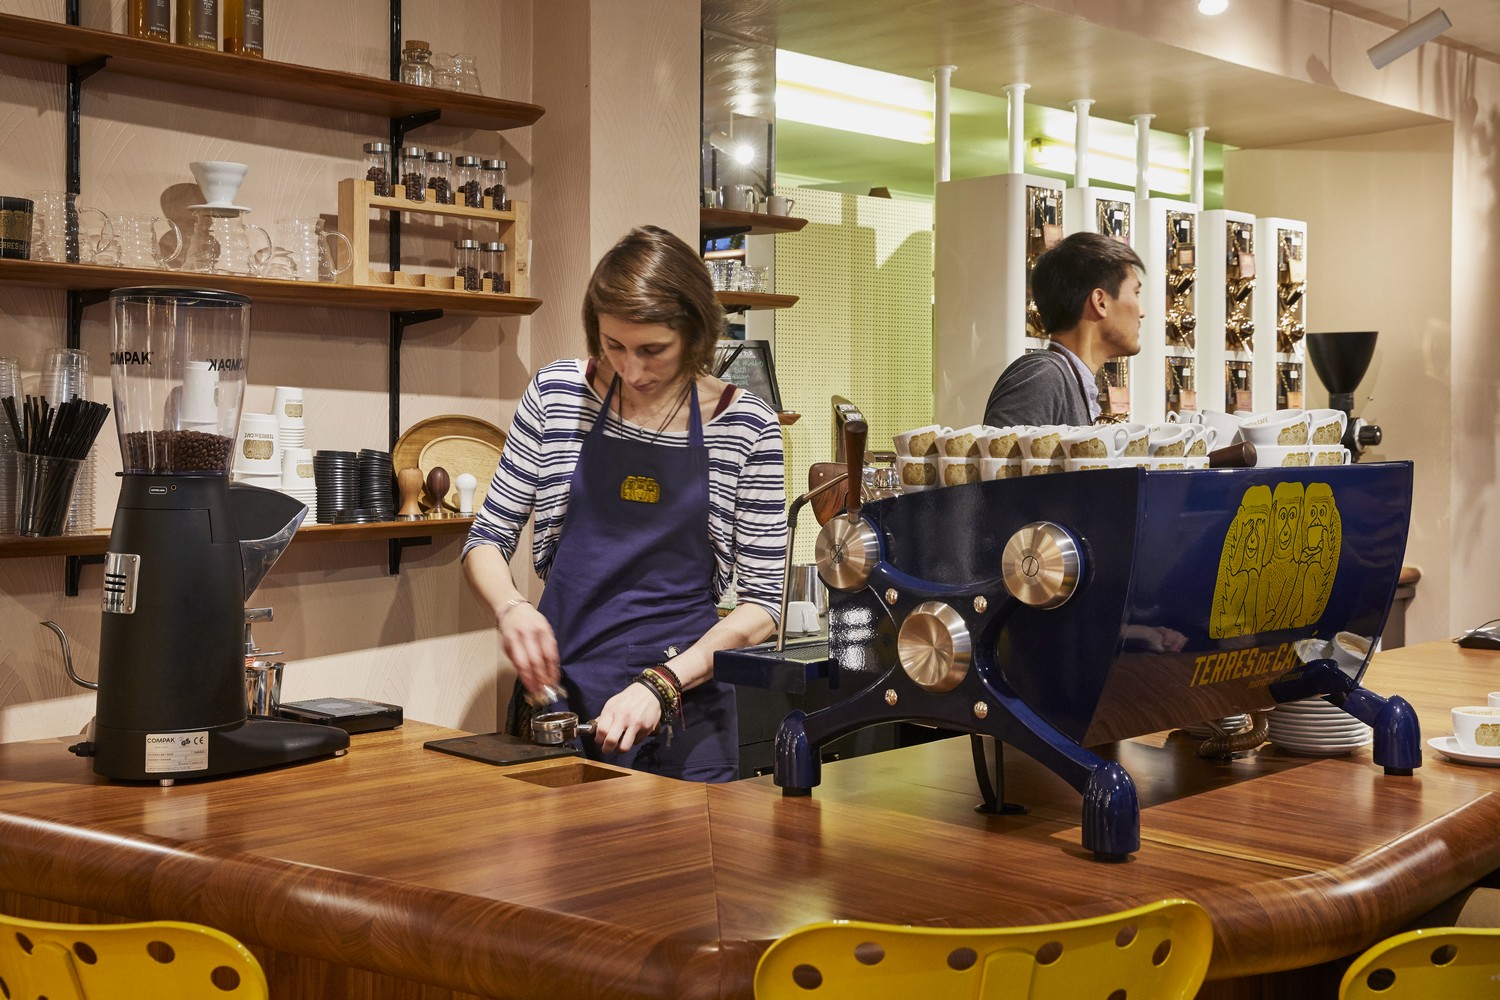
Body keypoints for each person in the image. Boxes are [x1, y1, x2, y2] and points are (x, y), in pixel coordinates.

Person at [462, 225, 788, 783]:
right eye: (614, 346)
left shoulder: (747, 424)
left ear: (695, 333)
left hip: (689, 711)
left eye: (652, 350)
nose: (633, 371)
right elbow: (485, 541)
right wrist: (511, 608)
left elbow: (763, 607)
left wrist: (662, 683)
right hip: (562, 698)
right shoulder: (556, 395)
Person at [982, 232, 1146, 427]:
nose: (1142, 312)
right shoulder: (1042, 378)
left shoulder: (1065, 380)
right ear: (1100, 302)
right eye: (1136, 293)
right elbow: (1000, 455)